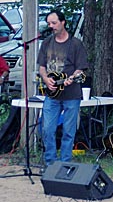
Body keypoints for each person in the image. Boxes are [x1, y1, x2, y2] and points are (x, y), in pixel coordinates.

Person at [37, 10, 89, 166]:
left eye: (54, 23)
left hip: (71, 94)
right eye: (49, 23)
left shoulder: (75, 44)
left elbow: (81, 69)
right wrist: (46, 79)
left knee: (68, 131)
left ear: (63, 22)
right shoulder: (46, 42)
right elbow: (41, 67)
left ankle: (65, 163)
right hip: (52, 95)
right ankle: (50, 164)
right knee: (47, 129)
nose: (51, 26)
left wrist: (71, 78)